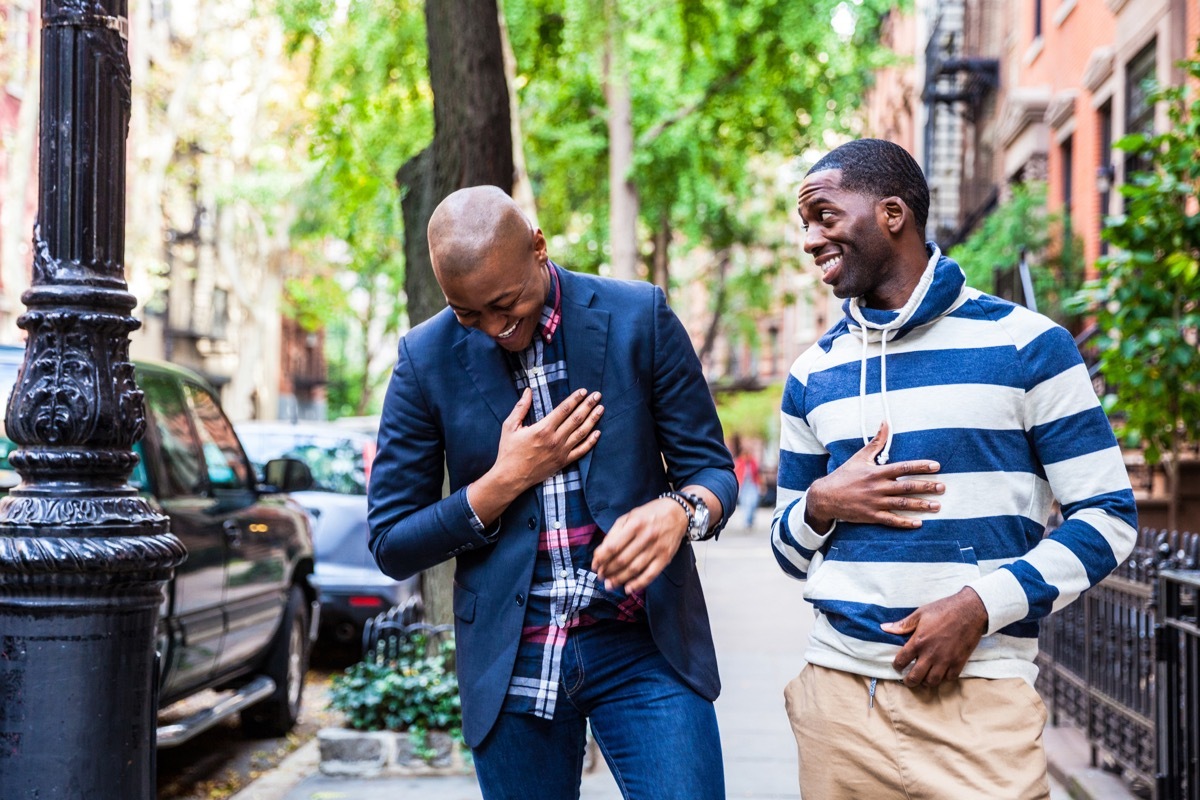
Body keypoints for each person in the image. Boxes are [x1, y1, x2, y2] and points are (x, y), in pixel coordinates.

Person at [770, 139, 1137, 799]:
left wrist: (979, 606)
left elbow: (1108, 518)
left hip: (981, 709)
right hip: (840, 706)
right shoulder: (811, 373)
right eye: (805, 225)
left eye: (824, 215)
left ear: (890, 214)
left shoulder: (1029, 346)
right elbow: (787, 552)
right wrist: (821, 503)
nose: (810, 239)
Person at [368, 185, 737, 800]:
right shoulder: (423, 359)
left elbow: (711, 470)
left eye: (505, 304)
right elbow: (391, 541)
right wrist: (503, 480)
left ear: (538, 247)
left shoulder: (637, 317)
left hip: (642, 646)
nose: (494, 328)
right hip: (511, 660)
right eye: (468, 314)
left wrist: (681, 512)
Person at [731, 435, 761, 529]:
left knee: (753, 502)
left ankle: (750, 519)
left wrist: (761, 485)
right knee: (745, 503)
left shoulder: (753, 462)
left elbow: (758, 473)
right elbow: (735, 472)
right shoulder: (739, 462)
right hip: (744, 485)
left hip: (752, 484)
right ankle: (747, 521)